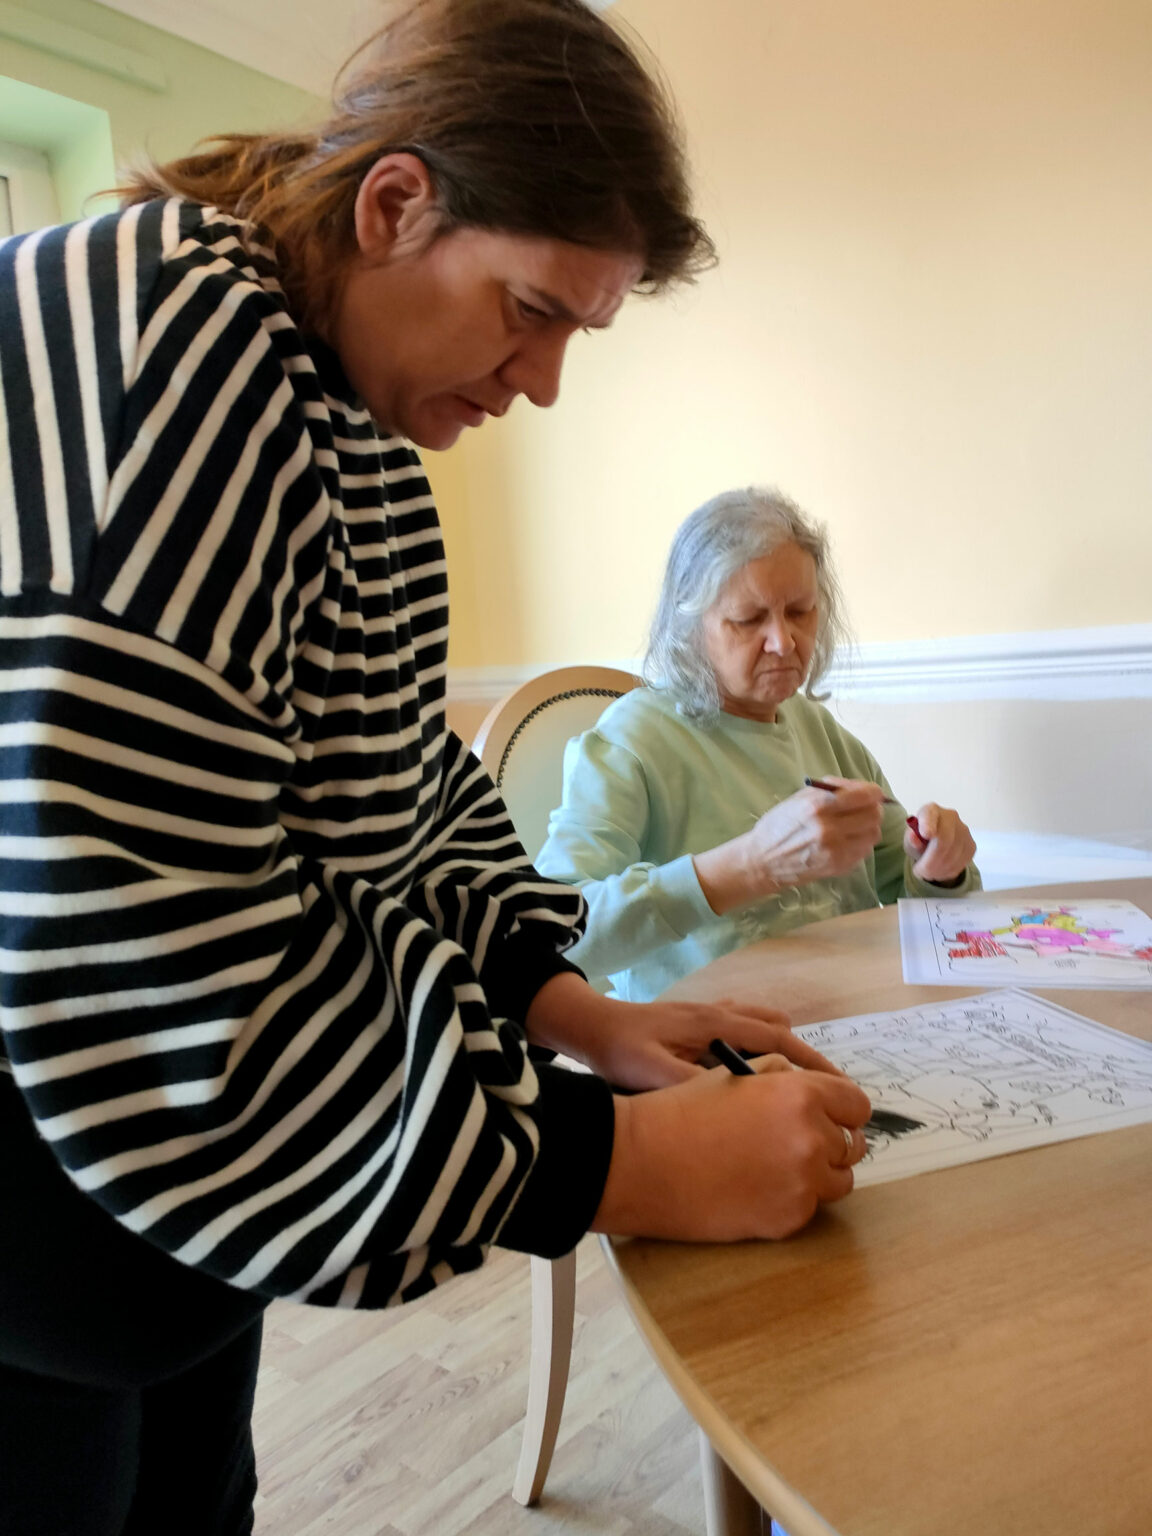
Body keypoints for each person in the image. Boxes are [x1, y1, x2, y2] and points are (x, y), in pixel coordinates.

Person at [0, 4, 873, 1532]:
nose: (542, 383)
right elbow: (148, 945)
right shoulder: (180, 356)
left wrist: (580, 1012)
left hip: (182, 1225)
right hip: (51, 1209)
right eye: (529, 310)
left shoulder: (349, 415)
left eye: (578, 333)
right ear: (394, 204)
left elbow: (402, 786)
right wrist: (615, 1165)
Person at [537, 487, 981, 1001]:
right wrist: (746, 866)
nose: (784, 642)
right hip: (706, 1034)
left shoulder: (823, 733)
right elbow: (553, 936)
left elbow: (919, 904)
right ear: (689, 629)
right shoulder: (632, 741)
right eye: (749, 619)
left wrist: (939, 870)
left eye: (801, 612)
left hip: (853, 1014)